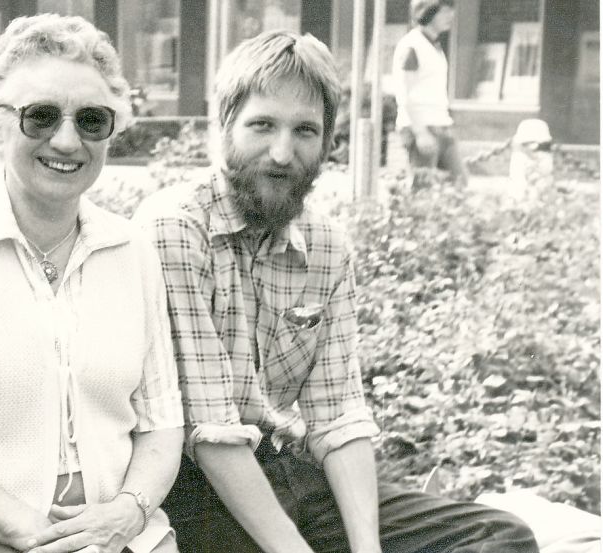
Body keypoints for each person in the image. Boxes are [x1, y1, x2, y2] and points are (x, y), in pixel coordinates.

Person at [133, 30, 539, 553]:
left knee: (498, 536)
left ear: (328, 142)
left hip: (291, 474)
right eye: (262, 125)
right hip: (195, 492)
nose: (283, 153)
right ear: (224, 126)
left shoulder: (325, 245)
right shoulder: (174, 230)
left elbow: (338, 414)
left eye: (305, 131)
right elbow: (211, 430)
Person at [0, 14, 185, 553]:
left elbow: (162, 424)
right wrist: (32, 531)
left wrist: (127, 512)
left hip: (123, 538)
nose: (67, 141)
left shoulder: (133, 251)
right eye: (40, 117)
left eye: (92, 119)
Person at [392, 0, 467, 187]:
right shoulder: (411, 46)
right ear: (428, 12)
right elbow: (403, 92)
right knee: (423, 190)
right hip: (421, 126)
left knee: (458, 183)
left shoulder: (435, 45)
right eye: (445, 11)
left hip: (442, 124)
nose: (451, 16)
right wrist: (419, 132)